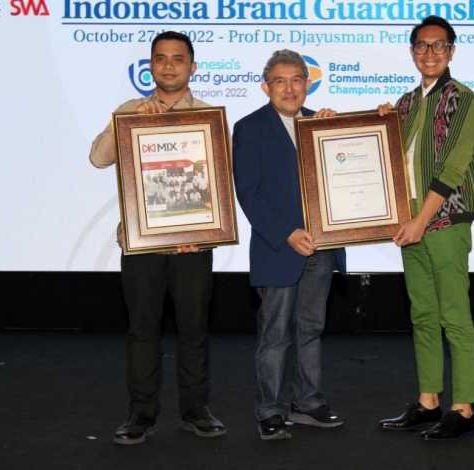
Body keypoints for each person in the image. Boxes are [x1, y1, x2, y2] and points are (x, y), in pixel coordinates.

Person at [89, 31, 225, 445]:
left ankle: (196, 410)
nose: (168, 66)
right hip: (142, 241)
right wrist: (129, 122)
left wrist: (205, 232)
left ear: (192, 67)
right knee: (142, 330)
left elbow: (221, 179)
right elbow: (98, 158)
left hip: (192, 244)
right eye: (161, 58)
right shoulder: (129, 111)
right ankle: (141, 413)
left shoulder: (208, 117)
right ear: (150, 66)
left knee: (193, 329)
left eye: (178, 59)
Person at [377, 16, 474, 440]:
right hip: (411, 224)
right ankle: (428, 402)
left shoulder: (464, 99)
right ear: (412, 52)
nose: (430, 53)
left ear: (451, 51)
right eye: (422, 46)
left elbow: (455, 167)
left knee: (454, 315)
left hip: (443, 222)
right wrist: (379, 121)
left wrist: (422, 221)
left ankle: (464, 409)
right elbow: (387, 155)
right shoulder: (405, 103)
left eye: (439, 45)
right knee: (422, 314)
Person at [232, 49, 346, 440]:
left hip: (322, 247)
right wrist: (288, 233)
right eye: (279, 81)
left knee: (311, 329)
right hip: (278, 248)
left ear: (307, 84)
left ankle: (308, 403)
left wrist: (340, 134)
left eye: (297, 79)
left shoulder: (321, 124)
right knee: (275, 334)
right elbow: (248, 193)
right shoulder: (249, 128)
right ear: (266, 87)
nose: (289, 88)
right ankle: (270, 410)